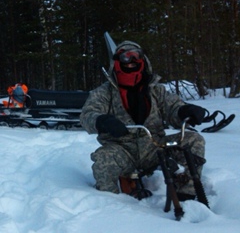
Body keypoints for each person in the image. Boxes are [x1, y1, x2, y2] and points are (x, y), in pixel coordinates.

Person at [80, 40, 206, 201]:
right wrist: (102, 121)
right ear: (117, 61)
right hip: (122, 149)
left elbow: (172, 107)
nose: (131, 61)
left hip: (155, 147)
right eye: (126, 57)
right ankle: (111, 204)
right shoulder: (104, 92)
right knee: (103, 159)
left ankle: (186, 194)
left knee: (194, 140)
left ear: (142, 60)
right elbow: (88, 114)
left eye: (135, 56)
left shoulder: (155, 89)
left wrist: (184, 111)